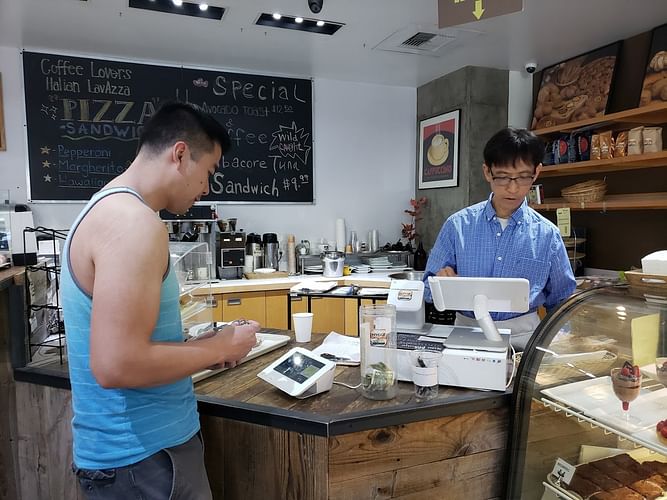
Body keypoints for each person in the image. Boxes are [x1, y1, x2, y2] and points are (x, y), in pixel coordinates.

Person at [61, 102, 260, 499]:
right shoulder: (133, 223)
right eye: (209, 173)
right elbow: (117, 365)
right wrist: (220, 348)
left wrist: (200, 349)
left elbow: (131, 346)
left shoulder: (104, 209)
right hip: (144, 462)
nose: (207, 189)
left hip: (138, 459)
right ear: (180, 154)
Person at [423, 127, 576, 350]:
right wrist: (441, 284)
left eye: (523, 177)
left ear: (536, 173)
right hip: (466, 334)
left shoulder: (547, 235)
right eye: (503, 177)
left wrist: (562, 346)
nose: (513, 188)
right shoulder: (458, 226)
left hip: (524, 339)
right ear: (487, 172)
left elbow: (562, 302)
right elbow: (427, 288)